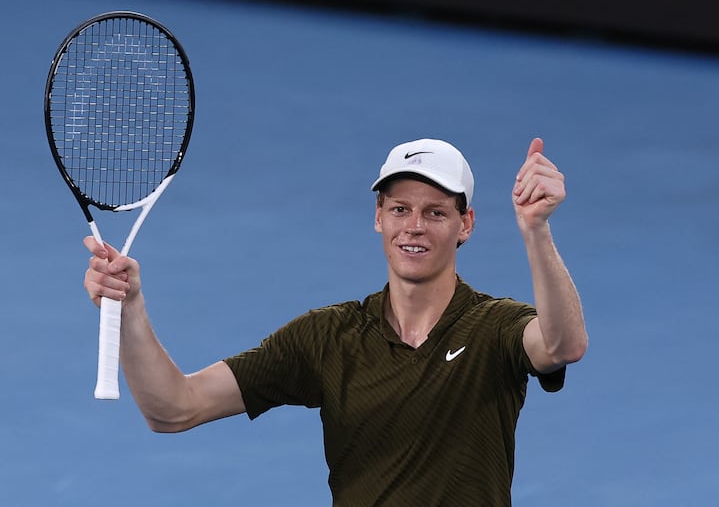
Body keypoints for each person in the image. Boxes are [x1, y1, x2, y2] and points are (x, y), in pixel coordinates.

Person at [83, 136, 588, 507]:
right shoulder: (328, 338)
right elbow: (173, 409)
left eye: (435, 213)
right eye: (400, 209)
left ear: (465, 225)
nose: (414, 226)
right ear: (379, 217)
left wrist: (536, 231)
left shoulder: (494, 328)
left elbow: (563, 344)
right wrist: (130, 312)